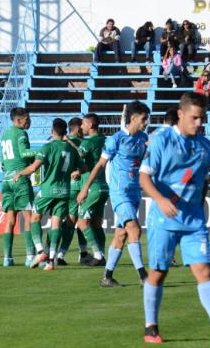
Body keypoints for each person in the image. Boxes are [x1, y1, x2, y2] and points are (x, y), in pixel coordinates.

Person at [139, 92, 210, 344]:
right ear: (180, 115)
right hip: (163, 219)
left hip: (193, 221)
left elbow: (202, 180)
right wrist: (160, 199)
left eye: (203, 118)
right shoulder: (161, 140)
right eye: (194, 118)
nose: (199, 123)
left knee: (204, 269)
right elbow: (144, 177)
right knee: (158, 273)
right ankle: (150, 327)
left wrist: (199, 206)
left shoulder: (205, 147)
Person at [79, 101, 150, 287]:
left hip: (135, 193)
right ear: (133, 118)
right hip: (119, 193)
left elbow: (145, 161)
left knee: (121, 235)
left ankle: (107, 277)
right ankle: (144, 276)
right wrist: (86, 188)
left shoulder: (143, 138)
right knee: (135, 229)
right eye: (144, 119)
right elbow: (100, 165)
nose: (146, 122)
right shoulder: (116, 139)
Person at [14, 118, 83, 271]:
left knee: (35, 218)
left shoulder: (47, 147)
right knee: (56, 224)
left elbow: (33, 168)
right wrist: (77, 172)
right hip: (65, 191)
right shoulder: (72, 150)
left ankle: (39, 252)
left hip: (47, 190)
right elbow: (84, 167)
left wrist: (20, 173)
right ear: (65, 131)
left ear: (52, 131)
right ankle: (51, 261)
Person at [0, 107, 37, 267]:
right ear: (19, 120)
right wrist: (41, 153)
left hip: (6, 179)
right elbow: (24, 153)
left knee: (10, 219)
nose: (29, 122)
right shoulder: (21, 133)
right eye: (27, 119)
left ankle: (7, 258)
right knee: (28, 217)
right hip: (19, 178)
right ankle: (30, 256)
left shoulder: (5, 135)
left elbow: (2, 162)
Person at [75, 113, 111, 266]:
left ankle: (97, 255)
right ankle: (101, 253)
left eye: (83, 123)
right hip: (104, 186)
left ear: (90, 125)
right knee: (96, 224)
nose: (81, 126)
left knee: (82, 222)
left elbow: (77, 159)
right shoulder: (105, 140)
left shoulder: (87, 143)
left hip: (93, 187)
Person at [58, 117, 90, 265]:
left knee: (63, 221)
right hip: (78, 188)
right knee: (82, 221)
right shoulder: (80, 143)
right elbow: (83, 158)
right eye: (82, 128)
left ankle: (55, 254)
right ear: (77, 129)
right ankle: (83, 253)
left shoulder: (58, 141)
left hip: (61, 187)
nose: (85, 131)